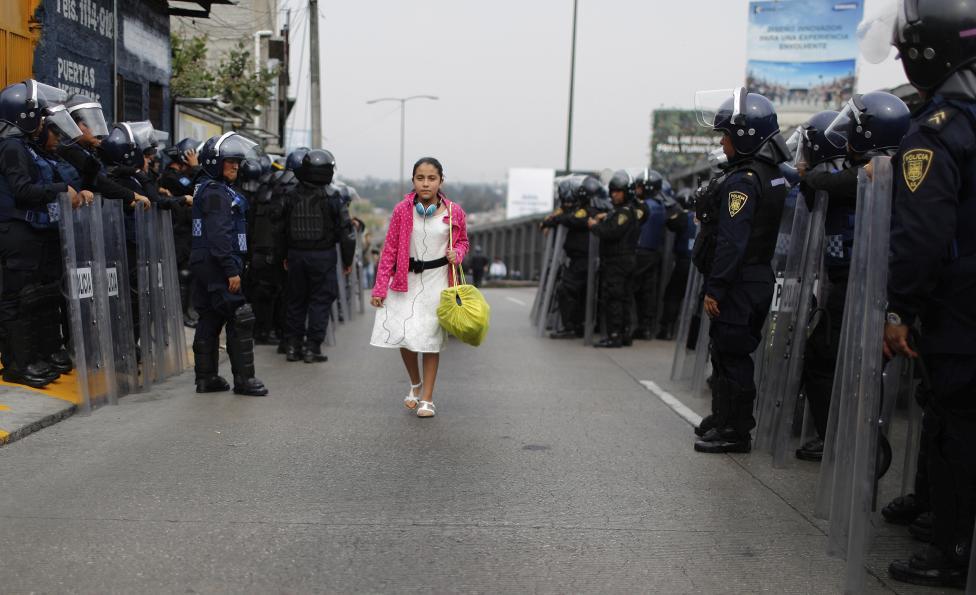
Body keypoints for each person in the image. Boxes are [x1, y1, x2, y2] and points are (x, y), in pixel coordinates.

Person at [870, 0, 976, 586]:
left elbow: (921, 236)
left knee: (953, 425)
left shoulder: (936, 133)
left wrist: (898, 309)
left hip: (959, 310)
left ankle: (952, 551)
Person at [793, 99, 909, 463]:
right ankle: (839, 438)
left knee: (838, 360)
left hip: (870, 284)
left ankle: (849, 442)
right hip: (847, 281)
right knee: (827, 358)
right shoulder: (862, 169)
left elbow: (832, 181)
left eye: (854, 133)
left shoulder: (883, 167)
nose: (846, 143)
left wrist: (809, 171)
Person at [691, 88, 790, 453]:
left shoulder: (742, 182)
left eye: (726, 135)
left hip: (739, 281)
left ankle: (735, 431)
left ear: (745, 136)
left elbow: (732, 241)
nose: (723, 143)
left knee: (732, 357)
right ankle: (723, 418)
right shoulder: (772, 174)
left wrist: (716, 287)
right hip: (754, 277)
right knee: (725, 352)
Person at [0, 80, 90, 387]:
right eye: (37, 116)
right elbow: (22, 190)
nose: (41, 122)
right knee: (17, 300)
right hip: (16, 230)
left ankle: (33, 358)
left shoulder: (22, 146)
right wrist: (59, 189)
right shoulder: (11, 147)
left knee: (36, 298)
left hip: (30, 231)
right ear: (23, 116)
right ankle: (17, 365)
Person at [370, 157, 469, 418]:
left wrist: (457, 253)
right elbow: (389, 249)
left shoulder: (454, 212)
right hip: (405, 280)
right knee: (404, 335)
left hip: (438, 281)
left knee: (429, 340)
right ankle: (415, 383)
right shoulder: (402, 210)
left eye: (432, 178)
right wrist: (380, 288)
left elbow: (464, 243)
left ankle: (427, 398)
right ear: (413, 181)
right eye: (420, 178)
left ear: (441, 181)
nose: (426, 183)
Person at [190, 132, 268, 397]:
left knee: (210, 317)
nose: (235, 165)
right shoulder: (216, 193)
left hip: (207, 262)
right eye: (229, 161)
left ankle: (206, 378)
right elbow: (219, 234)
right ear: (214, 162)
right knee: (240, 316)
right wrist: (231, 269)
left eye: (237, 161)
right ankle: (245, 381)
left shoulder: (209, 188)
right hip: (218, 263)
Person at [282, 149, 356, 363]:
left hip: (296, 255)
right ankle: (312, 348)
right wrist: (348, 260)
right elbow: (347, 232)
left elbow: (280, 228)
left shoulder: (291, 195)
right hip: (323, 256)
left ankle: (292, 347)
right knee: (320, 301)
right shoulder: (334, 197)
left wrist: (284, 254)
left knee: (296, 301)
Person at [632, 169, 687, 340]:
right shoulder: (665, 206)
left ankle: (635, 327)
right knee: (649, 292)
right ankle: (646, 327)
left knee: (633, 291)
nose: (637, 190)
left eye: (640, 187)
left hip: (639, 253)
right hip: (654, 254)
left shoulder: (643, 206)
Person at [544, 176, 600, 339]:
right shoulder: (581, 211)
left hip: (583, 259)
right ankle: (576, 325)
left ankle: (571, 326)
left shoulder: (586, 211)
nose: (567, 205)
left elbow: (573, 219)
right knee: (577, 292)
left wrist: (554, 220)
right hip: (579, 259)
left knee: (567, 289)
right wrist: (549, 222)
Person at [588, 170, 639, 348]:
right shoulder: (622, 211)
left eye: (618, 191)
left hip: (617, 262)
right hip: (623, 261)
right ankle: (623, 334)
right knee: (623, 298)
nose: (614, 195)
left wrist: (594, 226)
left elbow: (610, 232)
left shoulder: (624, 213)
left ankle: (615, 336)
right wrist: (607, 216)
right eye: (613, 191)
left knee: (614, 299)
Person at [159, 137, 201, 328]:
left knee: (189, 273)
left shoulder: (181, 176)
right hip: (176, 232)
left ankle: (187, 311)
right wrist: (195, 168)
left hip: (185, 232)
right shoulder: (170, 176)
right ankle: (180, 314)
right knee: (181, 274)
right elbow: (193, 189)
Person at [657, 187, 698, 340]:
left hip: (684, 263)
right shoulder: (703, 216)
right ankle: (692, 336)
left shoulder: (682, 218)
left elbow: (669, 224)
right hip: (699, 265)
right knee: (696, 299)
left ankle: (666, 330)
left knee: (673, 296)